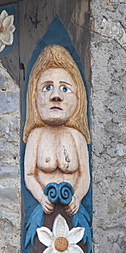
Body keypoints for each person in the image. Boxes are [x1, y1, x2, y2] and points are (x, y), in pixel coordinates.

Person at [24, 45, 91, 216]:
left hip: (72, 212)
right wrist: (41, 197)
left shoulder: (76, 136)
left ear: (78, 97)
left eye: (65, 88)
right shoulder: (36, 135)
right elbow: (29, 175)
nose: (56, 96)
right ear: (34, 97)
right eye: (47, 87)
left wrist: (76, 197)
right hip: (44, 212)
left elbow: (84, 176)